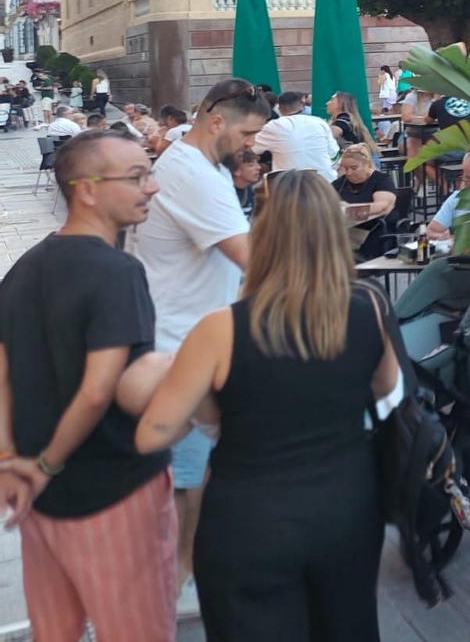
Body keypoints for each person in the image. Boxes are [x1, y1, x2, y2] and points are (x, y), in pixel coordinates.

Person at [135, 172, 399, 641]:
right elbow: (387, 390)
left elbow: (154, 432)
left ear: (263, 231)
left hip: (250, 519)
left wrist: (174, 380)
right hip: (349, 505)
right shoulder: (368, 306)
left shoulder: (219, 329)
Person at [0, 131, 176, 642]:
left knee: (54, 630)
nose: (154, 187)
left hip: (41, 501)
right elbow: (99, 390)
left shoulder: (23, 268)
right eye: (138, 177)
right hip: (113, 490)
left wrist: (12, 460)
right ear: (88, 190)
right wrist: (47, 463)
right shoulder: (117, 272)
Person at [130, 77, 271, 612]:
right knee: (188, 477)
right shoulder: (193, 173)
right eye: (249, 133)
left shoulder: (201, 165)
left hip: (189, 333)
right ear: (218, 122)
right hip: (181, 343)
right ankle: (179, 576)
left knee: (199, 469)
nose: (250, 145)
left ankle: (184, 565)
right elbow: (253, 260)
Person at [332, 145, 399, 258]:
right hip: (345, 230)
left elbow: (383, 206)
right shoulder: (340, 184)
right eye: (345, 168)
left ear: (366, 165)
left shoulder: (381, 180)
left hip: (373, 230)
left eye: (354, 168)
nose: (349, 173)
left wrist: (348, 209)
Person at [255, 91, 340, 179]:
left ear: (279, 108)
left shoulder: (273, 126)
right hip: (325, 181)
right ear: (301, 106)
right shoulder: (319, 122)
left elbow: (253, 148)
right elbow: (333, 152)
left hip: (290, 186)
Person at [223, 148, 263, 219]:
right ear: (236, 171)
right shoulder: (224, 193)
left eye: (257, 163)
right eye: (251, 165)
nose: (258, 167)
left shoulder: (253, 192)